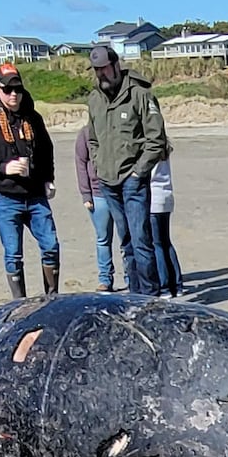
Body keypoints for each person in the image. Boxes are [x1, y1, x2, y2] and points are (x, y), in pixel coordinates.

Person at [0, 63, 59, 298]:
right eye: (8, 90)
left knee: (51, 246)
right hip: (4, 196)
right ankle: (19, 302)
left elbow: (46, 149)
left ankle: (52, 296)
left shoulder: (32, 117)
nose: (14, 94)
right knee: (13, 253)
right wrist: (3, 168)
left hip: (35, 194)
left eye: (18, 89)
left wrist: (48, 178)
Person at [87, 46, 166, 297]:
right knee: (126, 242)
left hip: (133, 180)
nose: (102, 74)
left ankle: (149, 297)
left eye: (105, 68)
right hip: (107, 181)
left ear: (116, 65)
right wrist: (98, 164)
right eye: (97, 70)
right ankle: (133, 296)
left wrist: (138, 172)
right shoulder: (94, 100)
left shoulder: (140, 95)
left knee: (141, 241)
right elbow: (92, 139)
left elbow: (157, 141)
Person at [74, 125, 114, 292]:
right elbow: (80, 163)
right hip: (97, 194)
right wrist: (86, 194)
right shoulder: (85, 132)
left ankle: (131, 276)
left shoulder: (117, 126)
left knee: (127, 238)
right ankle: (105, 278)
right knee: (103, 238)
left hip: (121, 191)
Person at [149, 147, 184, 298]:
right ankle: (176, 284)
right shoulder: (164, 150)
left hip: (153, 199)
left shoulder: (151, 150)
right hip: (166, 196)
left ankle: (164, 286)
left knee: (156, 243)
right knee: (165, 242)